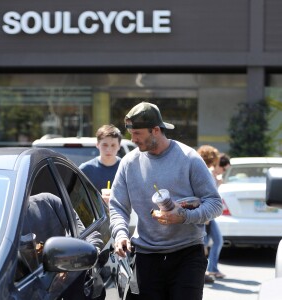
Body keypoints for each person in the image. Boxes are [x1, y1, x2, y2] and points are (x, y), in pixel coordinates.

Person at [109, 102, 223, 300]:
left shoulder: (189, 158)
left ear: (155, 130)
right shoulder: (128, 163)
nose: (132, 139)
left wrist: (185, 216)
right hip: (145, 257)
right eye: (131, 133)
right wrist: (120, 234)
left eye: (137, 133)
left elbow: (215, 203)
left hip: (187, 256)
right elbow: (118, 206)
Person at [197, 146, 229, 279]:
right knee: (202, 244)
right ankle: (204, 271)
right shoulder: (205, 172)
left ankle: (210, 269)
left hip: (207, 214)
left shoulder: (207, 172)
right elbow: (206, 195)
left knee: (213, 241)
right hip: (204, 214)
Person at [79, 124, 122, 204]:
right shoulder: (85, 169)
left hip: (120, 215)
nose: (109, 149)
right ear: (97, 145)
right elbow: (78, 198)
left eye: (113, 145)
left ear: (119, 146)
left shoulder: (125, 168)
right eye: (105, 145)